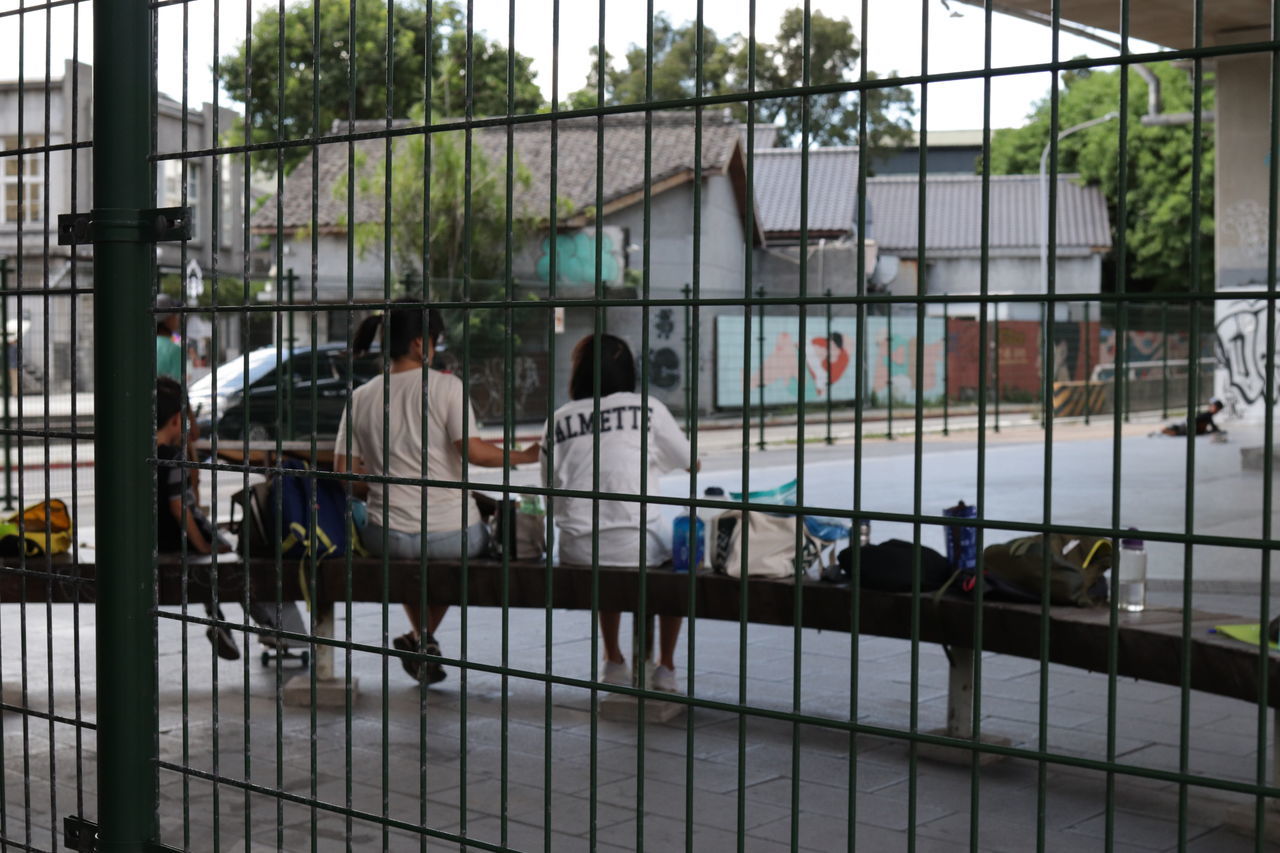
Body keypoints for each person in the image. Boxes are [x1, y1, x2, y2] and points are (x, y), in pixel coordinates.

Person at [334, 300, 539, 685]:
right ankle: (421, 638)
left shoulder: (361, 397)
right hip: (452, 536)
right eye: (434, 339)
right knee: (442, 553)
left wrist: (380, 484)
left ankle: (423, 640)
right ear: (418, 343)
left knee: (413, 561)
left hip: (384, 537)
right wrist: (524, 456)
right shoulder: (447, 386)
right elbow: (473, 450)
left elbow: (343, 473)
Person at [542, 333, 697, 694]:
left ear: (578, 373)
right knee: (678, 559)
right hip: (638, 548)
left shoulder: (558, 419)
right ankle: (666, 668)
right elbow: (691, 462)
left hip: (577, 550)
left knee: (603, 544)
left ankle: (612, 659)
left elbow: (550, 499)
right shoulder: (648, 408)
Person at [155, 376, 240, 659]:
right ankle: (269, 625)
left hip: (151, 538)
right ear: (177, 420)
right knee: (229, 554)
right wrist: (204, 545)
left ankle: (219, 620)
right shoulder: (173, 457)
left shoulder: (134, 452)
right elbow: (179, 508)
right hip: (177, 539)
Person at [1157, 398, 1225, 437]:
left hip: (1187, 428)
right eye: (1214, 407)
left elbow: (1212, 428)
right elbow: (1213, 428)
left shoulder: (1208, 415)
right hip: (1187, 428)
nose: (1216, 410)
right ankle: (1160, 432)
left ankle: (1161, 432)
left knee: (1173, 431)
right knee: (1172, 431)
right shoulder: (1207, 415)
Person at [155, 293, 183, 380]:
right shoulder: (174, 348)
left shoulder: (144, 342)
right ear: (168, 318)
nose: (177, 318)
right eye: (175, 314)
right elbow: (177, 384)